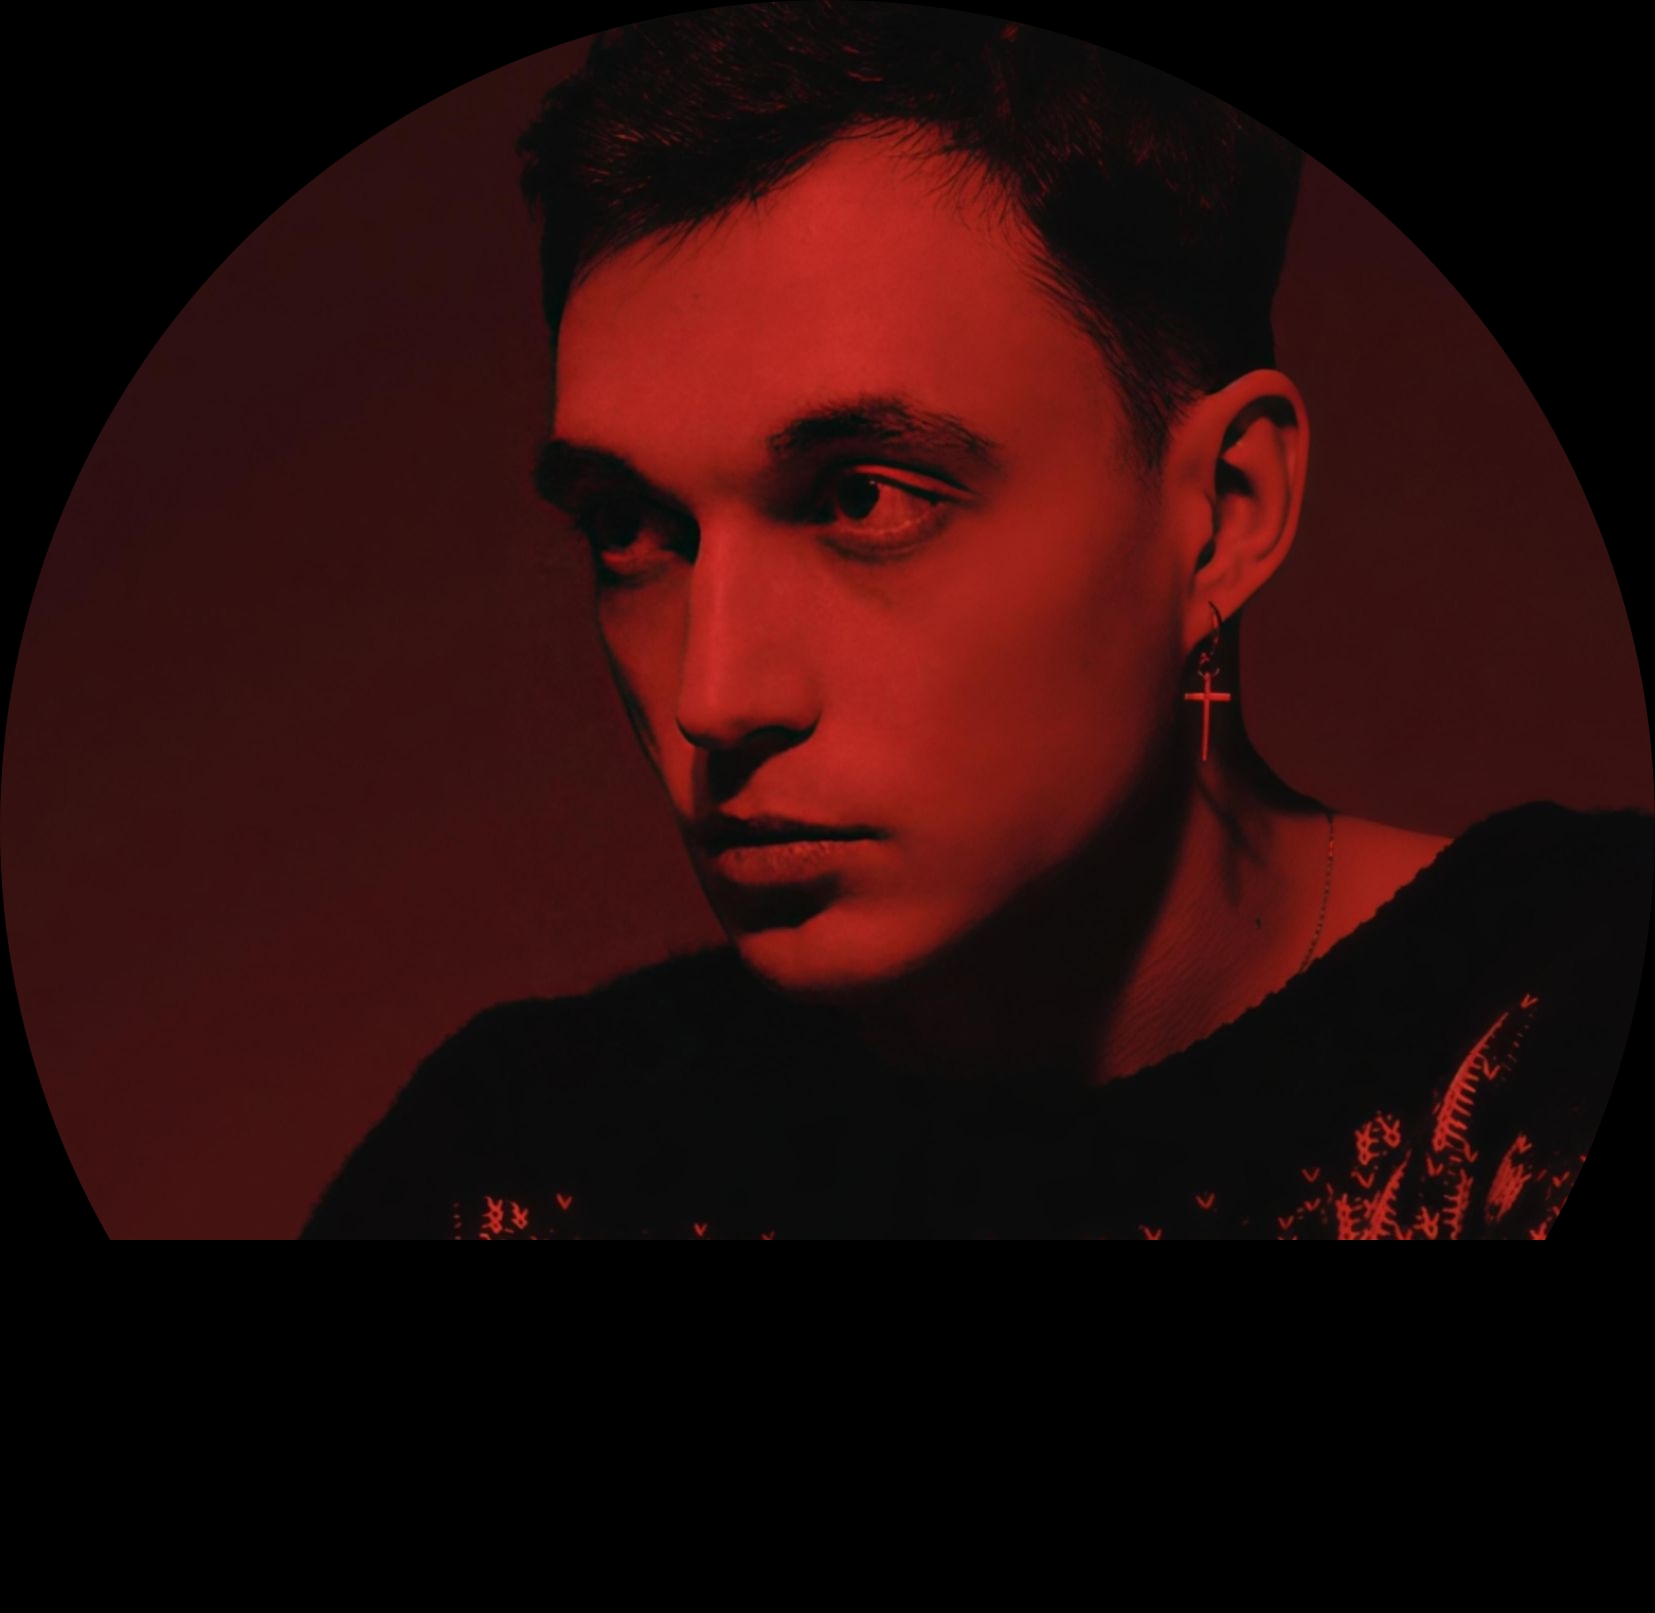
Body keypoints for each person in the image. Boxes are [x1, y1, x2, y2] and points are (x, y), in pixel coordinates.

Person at [301, 5, 1650, 1240]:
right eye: (628, 527)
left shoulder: (1574, 1031)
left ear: (1223, 514)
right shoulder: (520, 1161)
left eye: (864, 498)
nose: (715, 696)